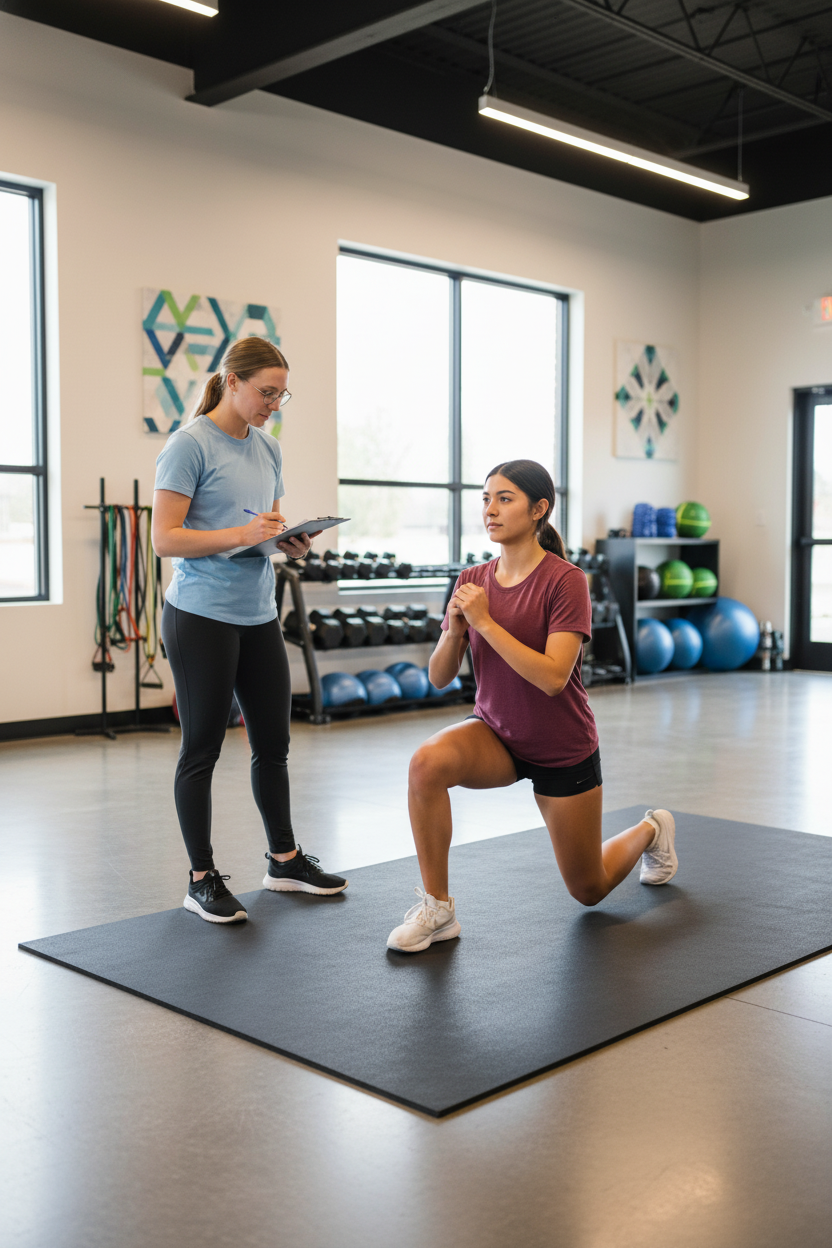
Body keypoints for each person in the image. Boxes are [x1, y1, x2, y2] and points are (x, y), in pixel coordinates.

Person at [387, 458, 676, 953]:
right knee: (425, 764)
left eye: (505, 499)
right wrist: (456, 631)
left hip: (561, 745)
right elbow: (438, 678)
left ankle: (653, 828)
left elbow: (551, 677)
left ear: (539, 509)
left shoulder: (567, 582)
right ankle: (438, 908)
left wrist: (484, 622)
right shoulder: (473, 578)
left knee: (589, 889)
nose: (491, 510)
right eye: (485, 499)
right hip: (496, 733)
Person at [153, 336, 347, 924]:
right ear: (231, 382)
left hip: (257, 614)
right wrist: (241, 537)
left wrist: (286, 541)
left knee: (274, 745)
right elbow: (166, 539)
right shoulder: (188, 446)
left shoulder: (267, 448)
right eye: (266, 392)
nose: (274, 403)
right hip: (199, 617)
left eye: (281, 393)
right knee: (201, 751)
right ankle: (200, 878)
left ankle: (284, 860)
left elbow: (261, 526)